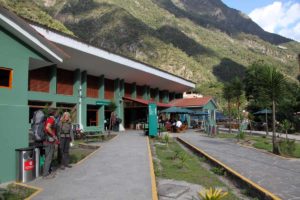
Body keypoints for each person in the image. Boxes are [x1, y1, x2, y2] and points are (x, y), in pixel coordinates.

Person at [43, 108, 59, 179]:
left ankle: (48, 171)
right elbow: (47, 128)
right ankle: (45, 174)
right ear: (54, 113)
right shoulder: (51, 119)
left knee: (49, 157)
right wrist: (54, 135)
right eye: (56, 112)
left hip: (47, 141)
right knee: (49, 158)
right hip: (49, 141)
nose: (57, 114)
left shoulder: (48, 118)